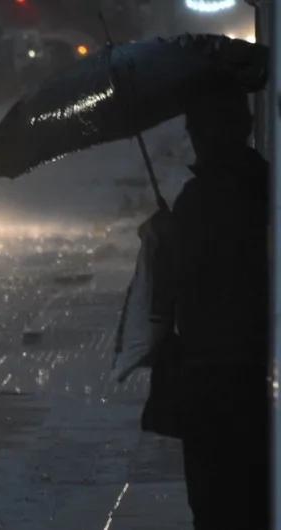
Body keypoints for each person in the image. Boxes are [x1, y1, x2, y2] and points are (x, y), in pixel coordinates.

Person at [168, 87, 269, 529]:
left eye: (195, 129)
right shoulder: (267, 186)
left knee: (214, 501)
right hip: (255, 368)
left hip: (210, 372)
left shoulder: (199, 200)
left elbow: (178, 284)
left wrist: (164, 239)